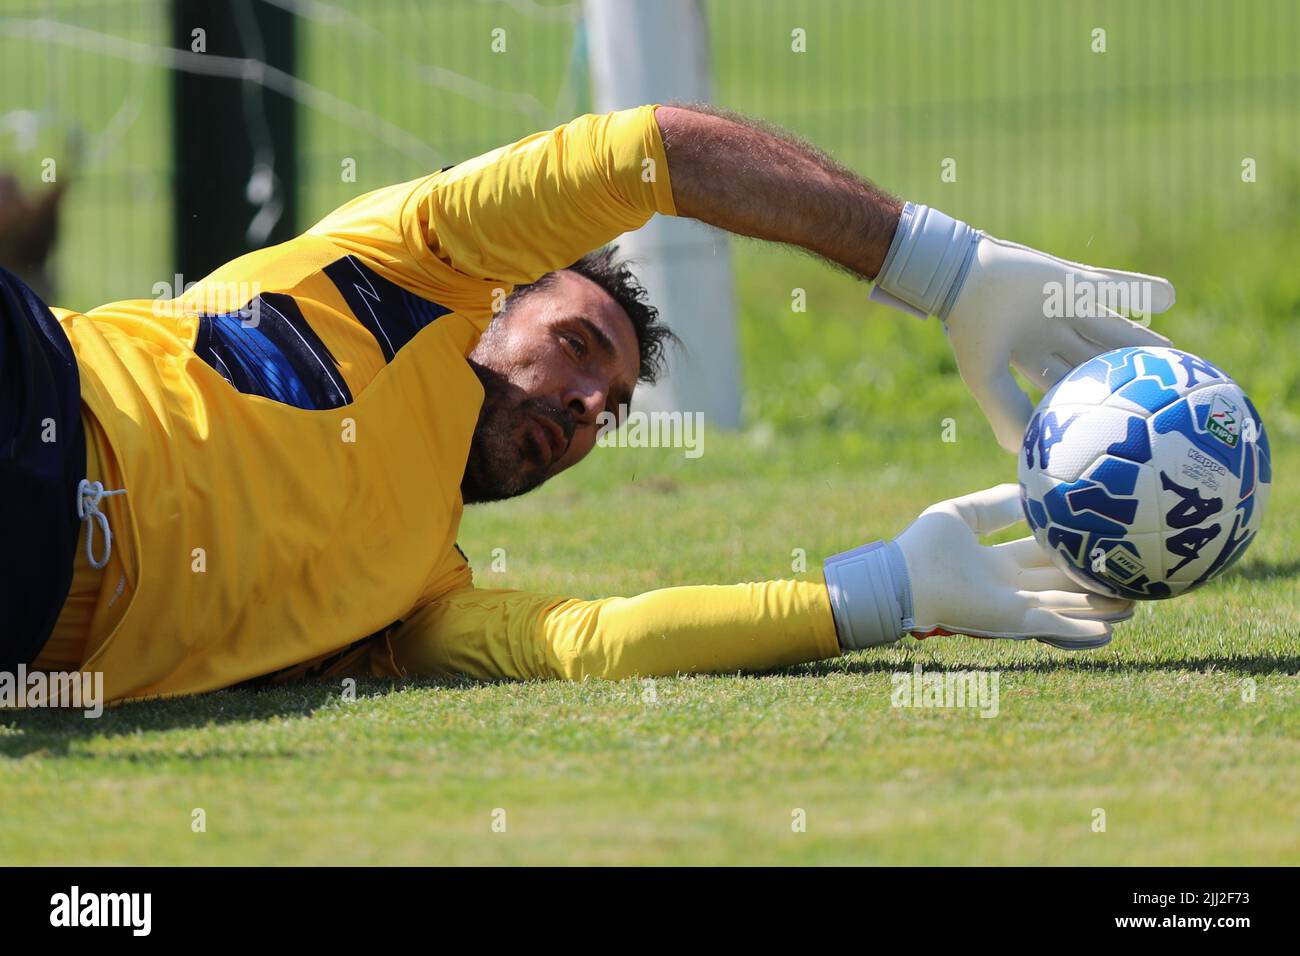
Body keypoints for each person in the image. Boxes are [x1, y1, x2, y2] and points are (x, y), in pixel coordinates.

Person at [2, 105, 1175, 703]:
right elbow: (647, 151)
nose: (583, 405)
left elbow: (595, 643)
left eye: (609, 407)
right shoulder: (408, 264)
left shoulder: (416, 592)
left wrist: (888, 591)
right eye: (574, 346)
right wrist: (943, 269)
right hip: (47, 392)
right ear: (492, 303)